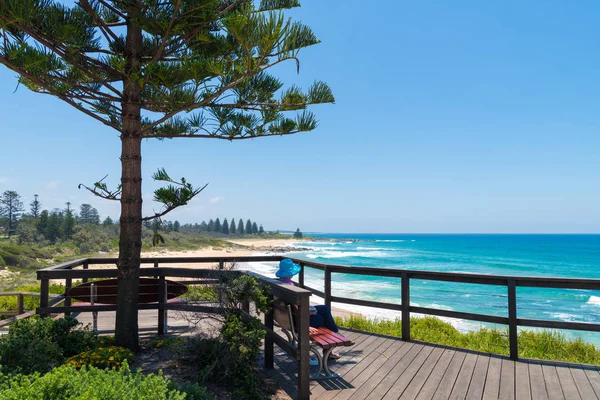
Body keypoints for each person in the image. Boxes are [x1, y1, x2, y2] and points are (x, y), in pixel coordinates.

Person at [275, 258, 343, 359]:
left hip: (290, 320)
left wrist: (310, 310)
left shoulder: (278, 284)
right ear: (291, 273)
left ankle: (334, 339)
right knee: (324, 318)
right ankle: (333, 342)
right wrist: (306, 324)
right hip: (299, 322)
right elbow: (297, 310)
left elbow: (294, 309)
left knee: (324, 308)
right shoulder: (290, 286)